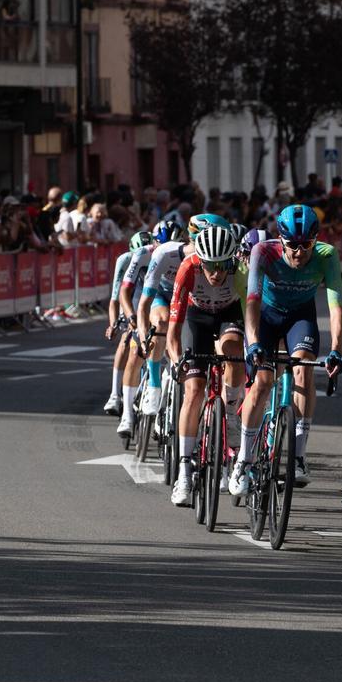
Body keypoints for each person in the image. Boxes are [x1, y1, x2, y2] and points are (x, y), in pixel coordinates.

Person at [228, 204, 342, 495]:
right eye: (292, 245)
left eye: (306, 244)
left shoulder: (327, 256)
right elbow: (252, 302)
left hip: (300, 317)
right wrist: (253, 342)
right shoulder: (263, 252)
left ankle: (299, 456)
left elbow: (336, 308)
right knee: (263, 382)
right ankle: (244, 459)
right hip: (266, 317)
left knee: (304, 372)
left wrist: (335, 350)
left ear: (315, 240)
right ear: (280, 240)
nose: (298, 252)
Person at [165, 225, 248, 506]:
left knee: (234, 350)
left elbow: (253, 317)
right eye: (210, 266)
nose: (216, 273)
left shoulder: (241, 270)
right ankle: (184, 469)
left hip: (229, 314)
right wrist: (178, 361)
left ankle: (232, 414)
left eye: (222, 265)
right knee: (193, 390)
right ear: (201, 261)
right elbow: (173, 330)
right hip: (196, 317)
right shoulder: (188, 268)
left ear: (231, 261)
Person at [124, 215, 220, 437]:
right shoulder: (163, 253)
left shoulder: (211, 260)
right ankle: (155, 387)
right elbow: (144, 301)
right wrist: (140, 332)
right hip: (160, 295)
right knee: (161, 323)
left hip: (187, 299)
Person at [105, 230, 154, 416]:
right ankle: (114, 394)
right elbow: (115, 299)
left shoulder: (154, 258)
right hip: (130, 296)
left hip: (148, 294)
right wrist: (113, 324)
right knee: (125, 340)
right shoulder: (124, 261)